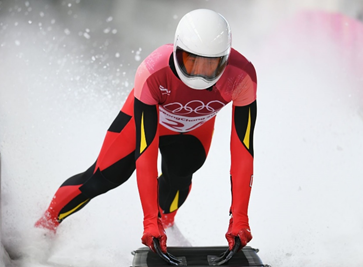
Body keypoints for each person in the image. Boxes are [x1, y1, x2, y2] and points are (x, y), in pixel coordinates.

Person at [35, 8, 257, 255]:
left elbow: (243, 151)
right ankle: (45, 225)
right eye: (191, 61)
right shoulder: (152, 71)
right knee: (106, 176)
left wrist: (240, 218)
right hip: (147, 120)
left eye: (210, 65)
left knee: (182, 174)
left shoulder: (243, 76)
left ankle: (168, 226)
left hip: (194, 129)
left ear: (225, 60)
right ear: (177, 51)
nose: (199, 72)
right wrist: (149, 221)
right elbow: (145, 152)